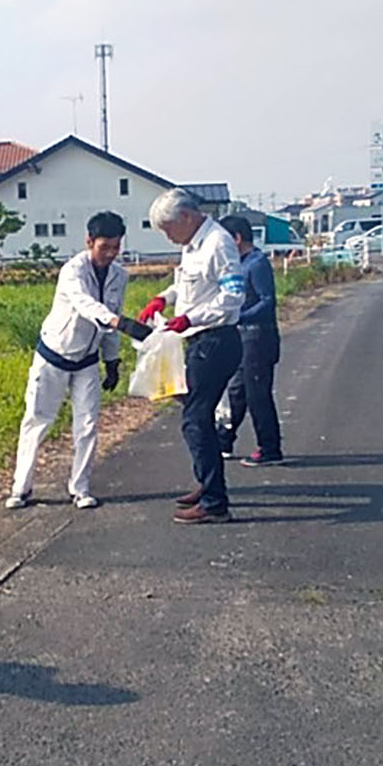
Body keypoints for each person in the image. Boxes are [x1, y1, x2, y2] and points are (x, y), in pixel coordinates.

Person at [8, 212, 130, 511]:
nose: (111, 254)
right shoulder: (72, 271)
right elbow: (86, 304)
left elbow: (113, 313)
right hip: (54, 356)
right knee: (38, 421)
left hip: (87, 360)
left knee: (87, 424)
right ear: (89, 242)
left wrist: (111, 361)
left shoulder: (120, 275)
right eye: (105, 247)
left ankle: (81, 488)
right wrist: (114, 320)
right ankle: (20, 488)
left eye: (116, 247)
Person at [140, 188, 246, 523]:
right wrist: (163, 298)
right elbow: (187, 287)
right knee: (194, 411)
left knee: (195, 419)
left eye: (169, 229)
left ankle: (215, 502)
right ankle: (208, 481)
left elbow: (233, 296)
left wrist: (192, 318)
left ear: (186, 217)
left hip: (216, 340)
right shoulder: (193, 246)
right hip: (199, 340)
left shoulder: (218, 244)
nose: (168, 237)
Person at [214, 214, 284, 467]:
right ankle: (223, 441)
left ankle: (270, 448)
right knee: (236, 391)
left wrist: (238, 316)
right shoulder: (239, 263)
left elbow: (267, 301)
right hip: (244, 337)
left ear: (237, 238)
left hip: (259, 336)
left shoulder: (257, 263)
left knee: (257, 395)